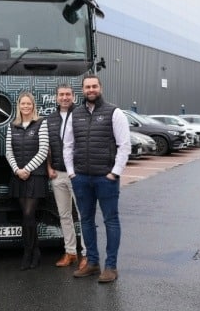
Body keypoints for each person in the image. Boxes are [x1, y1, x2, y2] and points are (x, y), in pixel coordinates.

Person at [63, 75, 130, 283]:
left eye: (94, 86)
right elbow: (68, 145)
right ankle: (92, 263)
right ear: (82, 90)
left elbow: (124, 145)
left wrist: (114, 173)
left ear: (100, 87)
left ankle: (111, 267)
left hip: (105, 179)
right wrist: (72, 172)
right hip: (81, 178)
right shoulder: (75, 114)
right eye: (87, 87)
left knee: (111, 220)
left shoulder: (114, 112)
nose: (91, 89)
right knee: (86, 220)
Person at [45, 83, 88, 269]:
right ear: (56, 98)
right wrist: (48, 168)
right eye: (61, 94)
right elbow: (46, 147)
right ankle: (70, 252)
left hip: (78, 174)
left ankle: (87, 254)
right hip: (58, 174)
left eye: (68, 94)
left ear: (73, 96)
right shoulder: (50, 119)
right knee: (64, 215)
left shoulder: (81, 115)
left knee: (84, 215)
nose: (64, 97)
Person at [5, 92, 49, 270]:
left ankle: (28, 253)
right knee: (26, 215)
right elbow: (8, 151)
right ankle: (34, 251)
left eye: (28, 104)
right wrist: (17, 170)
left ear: (33, 106)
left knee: (29, 214)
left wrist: (27, 169)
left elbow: (43, 150)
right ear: (19, 106)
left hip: (35, 176)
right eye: (23, 103)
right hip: (18, 176)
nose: (26, 106)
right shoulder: (12, 126)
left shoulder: (41, 123)